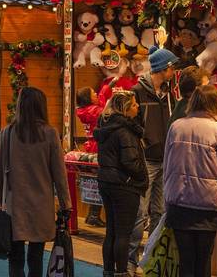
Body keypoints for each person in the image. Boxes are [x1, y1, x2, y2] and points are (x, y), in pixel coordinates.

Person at [0, 87, 71, 277]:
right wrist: (65, 204)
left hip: (14, 205)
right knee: (36, 257)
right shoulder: (50, 134)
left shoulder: (8, 132)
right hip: (41, 205)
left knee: (15, 258)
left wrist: (1, 201)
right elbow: (59, 174)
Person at [164, 84, 217, 277]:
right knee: (203, 260)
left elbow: (167, 163)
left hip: (178, 200)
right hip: (206, 203)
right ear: (214, 103)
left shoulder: (176, 126)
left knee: (185, 260)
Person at [128, 45, 179, 270]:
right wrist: (145, 143)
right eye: (172, 67)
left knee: (159, 212)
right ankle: (129, 258)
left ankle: (150, 259)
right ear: (163, 68)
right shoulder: (137, 92)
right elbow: (132, 123)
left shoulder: (170, 94)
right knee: (140, 212)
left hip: (165, 159)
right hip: (147, 159)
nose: (174, 71)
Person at [94, 90, 147, 277]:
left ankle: (109, 271)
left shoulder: (106, 126)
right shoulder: (125, 131)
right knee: (123, 233)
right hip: (124, 185)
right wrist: (142, 176)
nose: (137, 107)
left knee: (112, 231)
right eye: (133, 105)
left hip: (106, 182)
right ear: (125, 109)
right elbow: (130, 162)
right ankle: (122, 272)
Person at [76, 87, 105, 227]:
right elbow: (107, 112)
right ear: (88, 98)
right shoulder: (95, 110)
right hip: (98, 146)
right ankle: (94, 214)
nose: (96, 94)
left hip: (89, 146)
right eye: (94, 93)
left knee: (93, 182)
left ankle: (91, 214)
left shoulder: (82, 111)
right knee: (98, 182)